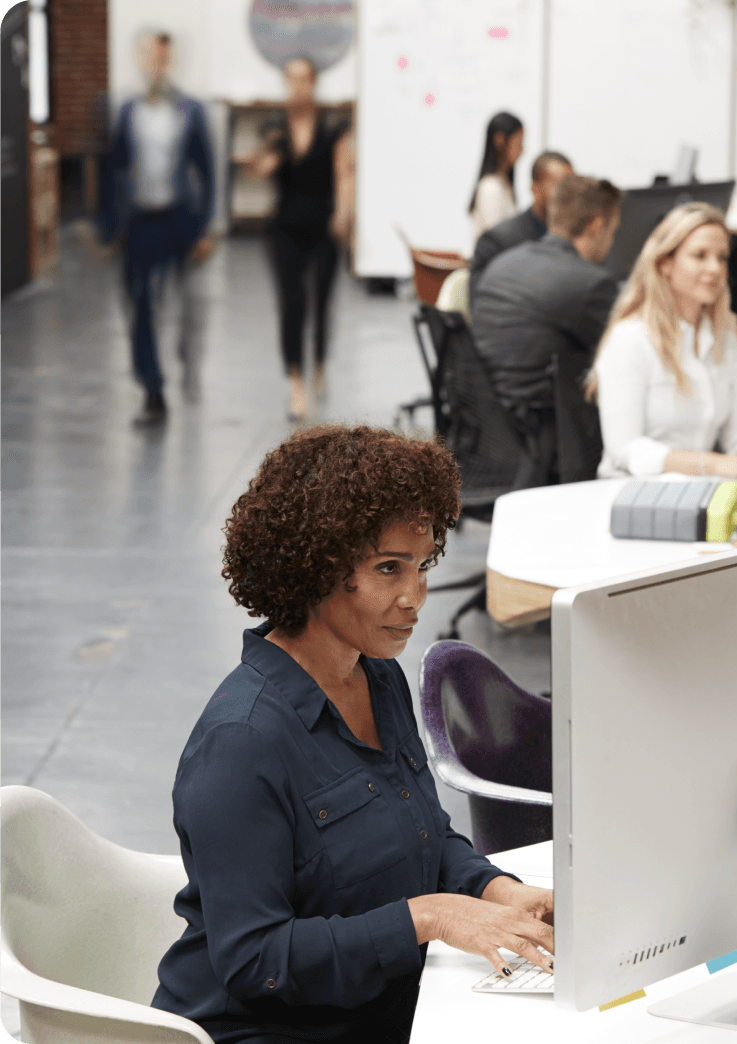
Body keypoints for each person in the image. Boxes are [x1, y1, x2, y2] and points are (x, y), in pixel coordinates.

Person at [151, 424, 555, 1044]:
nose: (414, 595)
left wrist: (496, 890)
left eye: (422, 566)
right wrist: (431, 916)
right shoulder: (240, 743)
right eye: (387, 569)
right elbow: (255, 962)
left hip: (386, 1011)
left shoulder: (378, 679)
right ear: (312, 567)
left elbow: (422, 836)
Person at [470, 174, 622, 481]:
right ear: (596, 227)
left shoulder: (503, 264)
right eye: (614, 231)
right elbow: (629, 351)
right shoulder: (590, 284)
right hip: (547, 440)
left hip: (488, 430)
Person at [587, 202, 737, 479]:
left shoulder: (724, 338)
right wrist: (712, 465)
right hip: (635, 495)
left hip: (703, 494)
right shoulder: (631, 340)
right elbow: (624, 448)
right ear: (665, 264)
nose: (715, 268)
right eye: (699, 255)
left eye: (722, 257)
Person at [101, 31, 215, 426]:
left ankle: (188, 367)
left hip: (177, 220)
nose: (157, 64)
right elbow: (112, 167)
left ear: (170, 61)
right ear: (142, 59)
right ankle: (153, 388)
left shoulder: (189, 110)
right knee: (141, 307)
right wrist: (109, 226)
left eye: (163, 58)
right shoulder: (128, 110)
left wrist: (206, 230)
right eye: (151, 57)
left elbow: (207, 170)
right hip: (139, 224)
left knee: (186, 308)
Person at [248, 58, 354, 421]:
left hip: (324, 225)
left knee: (321, 300)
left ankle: (320, 364)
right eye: (291, 80)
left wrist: (344, 212)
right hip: (285, 227)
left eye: (303, 80)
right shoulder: (275, 127)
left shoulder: (333, 127)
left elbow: (344, 172)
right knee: (292, 302)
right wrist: (262, 161)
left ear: (313, 83)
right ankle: (295, 379)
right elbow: (265, 166)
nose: (298, 87)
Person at [468, 150, 574, 303]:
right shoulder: (497, 242)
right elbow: (483, 308)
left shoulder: (577, 240)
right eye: (560, 186)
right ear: (535, 188)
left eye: (572, 188)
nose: (568, 195)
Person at [468, 111, 524, 248]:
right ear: (500, 140)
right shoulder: (490, 187)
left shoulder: (503, 183)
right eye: (519, 142)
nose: (522, 149)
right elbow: (497, 239)